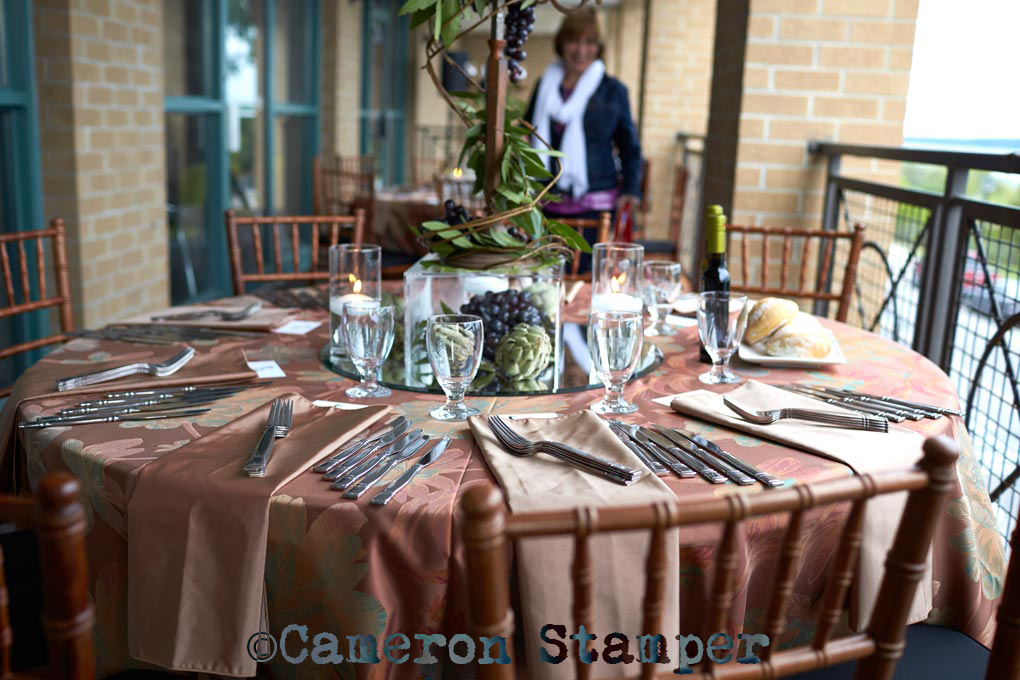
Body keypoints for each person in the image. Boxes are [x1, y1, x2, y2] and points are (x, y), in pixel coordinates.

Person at [524, 6, 643, 264]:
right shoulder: (543, 86)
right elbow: (526, 133)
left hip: (596, 210)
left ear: (598, 47)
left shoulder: (614, 91)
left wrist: (631, 189)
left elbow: (629, 147)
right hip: (546, 205)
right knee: (546, 273)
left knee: (587, 277)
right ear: (561, 43)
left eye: (589, 42)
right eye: (574, 41)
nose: (581, 50)